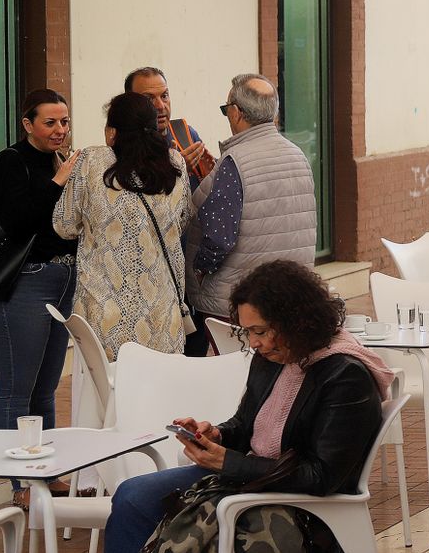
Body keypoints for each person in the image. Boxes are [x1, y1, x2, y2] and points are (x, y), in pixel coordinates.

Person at [66, 259, 394, 553]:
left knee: (142, 510)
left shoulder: (345, 376)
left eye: (260, 331)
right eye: (247, 333)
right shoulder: (274, 359)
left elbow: (322, 476)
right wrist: (215, 435)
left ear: (295, 320)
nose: (253, 343)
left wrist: (228, 463)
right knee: (134, 496)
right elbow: (248, 426)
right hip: (249, 485)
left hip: (301, 515)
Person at [0, 91, 79, 498]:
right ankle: (18, 483)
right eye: (50, 123)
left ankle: (44, 472)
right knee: (15, 390)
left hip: (63, 279)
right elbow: (14, 222)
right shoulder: (11, 161)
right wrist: (58, 183)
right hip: (24, 281)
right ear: (28, 124)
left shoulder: (62, 160)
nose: (60, 130)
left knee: (45, 389)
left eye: (64, 122)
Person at [183, 74, 317, 356]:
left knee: (237, 374)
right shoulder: (297, 155)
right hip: (289, 294)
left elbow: (218, 238)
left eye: (226, 109)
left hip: (241, 302)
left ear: (236, 112)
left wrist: (200, 271)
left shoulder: (235, 162)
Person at [53, 91, 191, 359]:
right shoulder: (175, 164)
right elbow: (182, 221)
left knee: (108, 384)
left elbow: (64, 225)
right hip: (162, 309)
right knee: (158, 383)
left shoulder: (92, 161)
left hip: (105, 311)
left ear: (113, 132)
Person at [125, 66, 214, 181]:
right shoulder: (125, 145)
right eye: (148, 99)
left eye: (164, 96)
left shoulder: (184, 133)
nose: (160, 106)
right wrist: (177, 170)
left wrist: (210, 177)